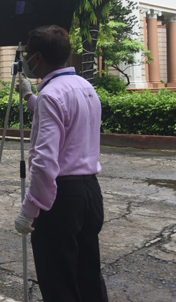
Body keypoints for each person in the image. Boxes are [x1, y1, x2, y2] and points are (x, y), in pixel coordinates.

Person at [16, 25, 108, 302]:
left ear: (38, 58)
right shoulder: (85, 86)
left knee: (58, 279)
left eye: (28, 55)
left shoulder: (52, 95)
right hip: (90, 191)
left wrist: (29, 210)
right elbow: (68, 123)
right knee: (87, 273)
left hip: (62, 199)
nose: (27, 61)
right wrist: (31, 98)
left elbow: (45, 163)